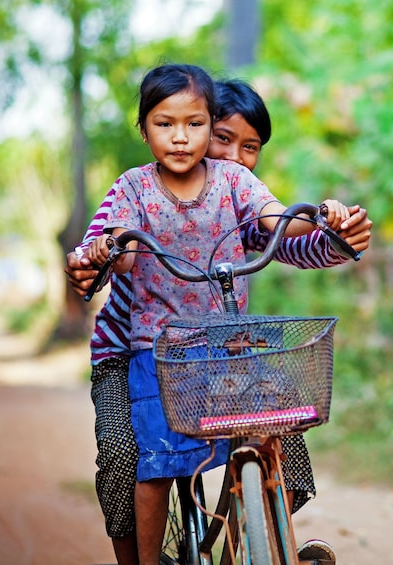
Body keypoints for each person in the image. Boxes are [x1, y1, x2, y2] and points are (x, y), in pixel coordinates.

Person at [78, 64, 367, 564]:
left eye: (249, 146)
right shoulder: (134, 190)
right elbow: (106, 246)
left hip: (221, 347)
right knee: (128, 461)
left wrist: (334, 229)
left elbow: (280, 233)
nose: (232, 155)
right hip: (135, 354)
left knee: (283, 433)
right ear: (148, 129)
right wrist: (94, 257)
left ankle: (252, 542)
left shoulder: (237, 194)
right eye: (224, 138)